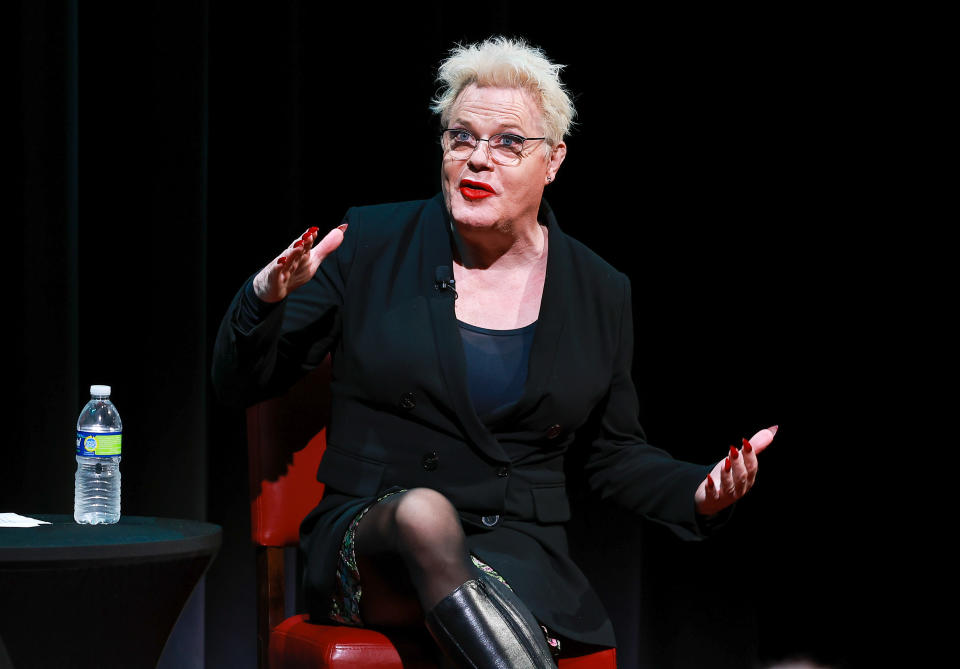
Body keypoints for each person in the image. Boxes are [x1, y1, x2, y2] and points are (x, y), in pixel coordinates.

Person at [213, 36, 773, 668]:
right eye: (461, 137)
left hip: (517, 554)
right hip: (372, 549)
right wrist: (263, 299)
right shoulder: (372, 244)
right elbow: (240, 382)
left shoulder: (598, 290)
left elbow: (613, 453)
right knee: (423, 516)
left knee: (487, 599)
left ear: (554, 160)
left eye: (509, 141)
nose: (478, 158)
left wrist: (700, 492)